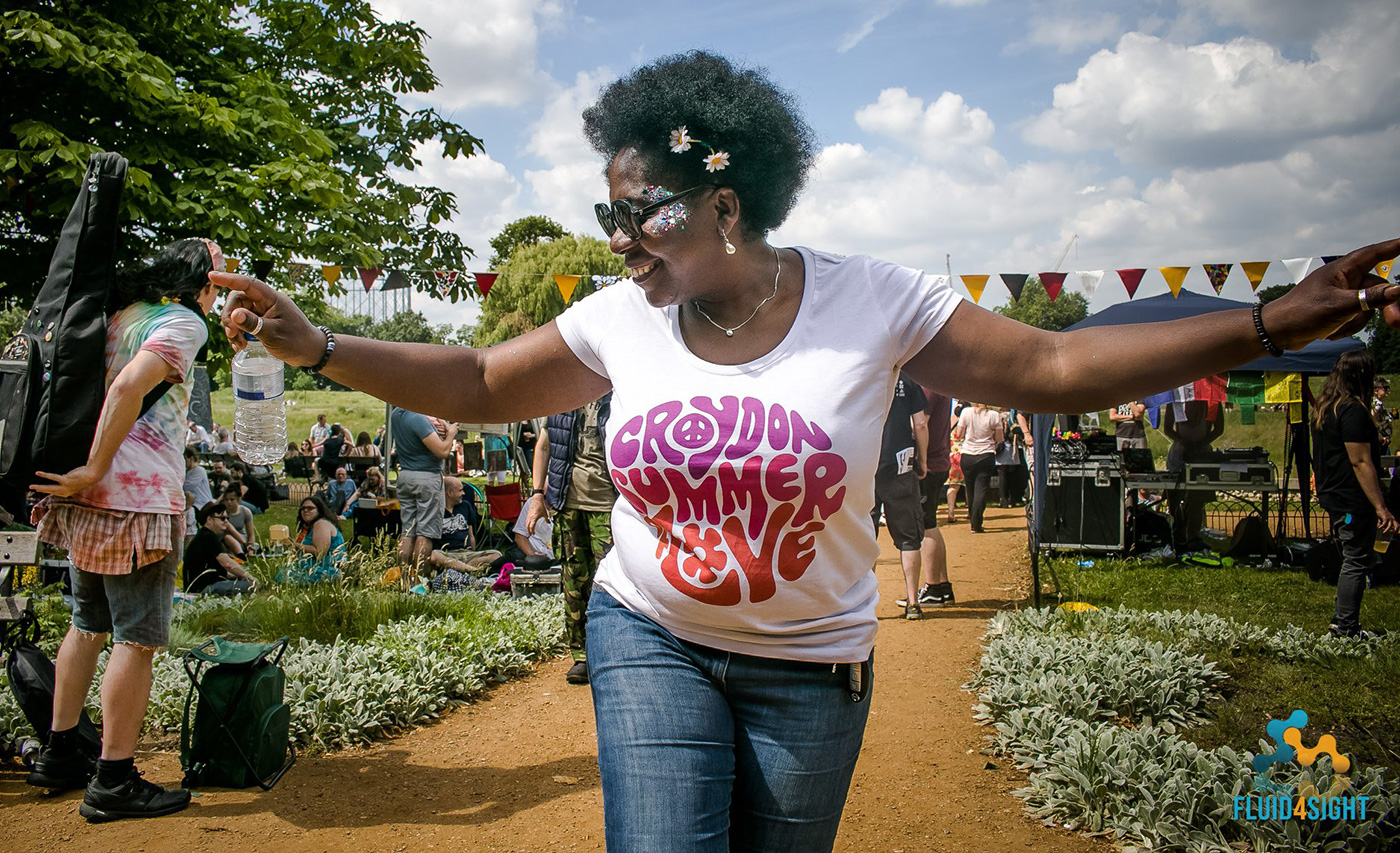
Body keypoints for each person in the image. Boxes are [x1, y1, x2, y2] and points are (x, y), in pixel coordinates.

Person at [214, 50, 1400, 853]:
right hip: (650, 634)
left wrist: (1261, 323)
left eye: (642, 211)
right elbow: (476, 381)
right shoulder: (621, 317)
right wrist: (318, 343)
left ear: (726, 205)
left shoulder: (873, 301)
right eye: (606, 213)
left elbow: (1045, 369)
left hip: (811, 667)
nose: (620, 237)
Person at [28, 237, 224, 821]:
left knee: (86, 625)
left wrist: (86, 472)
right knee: (136, 639)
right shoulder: (185, 322)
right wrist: (97, 467)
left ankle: (61, 752)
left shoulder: (121, 315)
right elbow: (128, 386)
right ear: (203, 283)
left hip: (86, 498)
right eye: (222, 276)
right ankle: (114, 779)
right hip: (136, 502)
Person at [526, 396, 617, 684]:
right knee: (574, 581)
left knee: (613, 583)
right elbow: (544, 444)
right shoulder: (563, 396)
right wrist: (537, 494)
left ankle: (616, 653)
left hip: (610, 505)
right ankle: (581, 656)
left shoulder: (617, 393)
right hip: (568, 503)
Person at [1313, 351, 1395, 639]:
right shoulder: (1352, 410)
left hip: (1333, 492)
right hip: (1351, 495)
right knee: (1357, 558)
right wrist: (1380, 506)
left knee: (1355, 556)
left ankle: (1344, 622)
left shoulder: (1326, 408)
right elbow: (1361, 461)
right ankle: (1345, 625)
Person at [871, 373, 928, 619]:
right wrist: (922, 459)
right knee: (908, 538)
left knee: (864, 535)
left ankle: (863, 604)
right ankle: (913, 602)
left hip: (867, 466)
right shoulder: (909, 380)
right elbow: (921, 424)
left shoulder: (866, 373)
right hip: (901, 466)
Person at [899, 386, 956, 610]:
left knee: (925, 525)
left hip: (928, 463)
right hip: (937, 460)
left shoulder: (928, 387)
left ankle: (934, 587)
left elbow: (919, 425)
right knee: (930, 522)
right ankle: (940, 587)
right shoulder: (938, 385)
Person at [391, 406, 457, 586]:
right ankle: (419, 582)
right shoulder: (418, 418)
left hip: (405, 476)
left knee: (407, 531)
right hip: (427, 477)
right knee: (425, 532)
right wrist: (451, 433)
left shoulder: (396, 413)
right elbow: (442, 451)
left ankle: (405, 581)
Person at [1162, 399, 1225, 547]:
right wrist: (1182, 441)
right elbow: (1167, 428)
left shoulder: (1212, 399)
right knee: (1174, 496)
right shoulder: (1175, 398)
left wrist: (1200, 444)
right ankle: (1177, 533)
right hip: (1179, 454)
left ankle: (1192, 536)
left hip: (1201, 454)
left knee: (1198, 497)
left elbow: (1219, 428)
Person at [184, 502, 256, 595]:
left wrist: (240, 575)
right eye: (222, 518)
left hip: (200, 586)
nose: (226, 521)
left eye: (227, 518)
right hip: (202, 588)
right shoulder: (208, 537)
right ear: (210, 520)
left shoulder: (205, 536)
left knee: (243, 581)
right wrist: (250, 577)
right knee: (251, 585)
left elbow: (223, 573)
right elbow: (228, 564)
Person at [952, 402, 1004, 533]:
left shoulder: (966, 412)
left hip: (968, 454)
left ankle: (973, 521)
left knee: (970, 489)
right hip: (986, 454)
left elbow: (959, 434)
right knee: (981, 489)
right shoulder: (994, 415)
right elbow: (999, 438)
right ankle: (977, 522)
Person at [280, 496, 346, 585]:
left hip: (326, 569)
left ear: (319, 510)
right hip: (316, 566)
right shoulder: (309, 526)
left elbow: (320, 552)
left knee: (285, 576)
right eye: (303, 508)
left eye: (310, 508)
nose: (305, 510)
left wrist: (295, 545)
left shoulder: (321, 524)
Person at [220, 484, 257, 555]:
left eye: (232, 499)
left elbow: (251, 534)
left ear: (239, 499)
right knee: (226, 539)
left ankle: (239, 555)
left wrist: (251, 549)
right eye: (226, 500)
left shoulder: (245, 512)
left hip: (241, 539)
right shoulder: (222, 513)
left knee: (228, 539)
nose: (229, 502)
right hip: (224, 540)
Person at [1372, 377, 1393, 452]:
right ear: (1376, 390)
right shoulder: (1375, 404)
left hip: (1384, 441)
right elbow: (1372, 420)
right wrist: (1379, 437)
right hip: (1380, 442)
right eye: (1385, 388)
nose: (1387, 390)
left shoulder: (1379, 404)